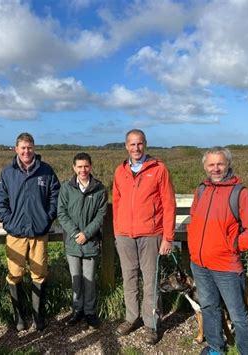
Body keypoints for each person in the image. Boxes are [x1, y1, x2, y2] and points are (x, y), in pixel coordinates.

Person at [188, 147, 248, 355]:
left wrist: (232, 246)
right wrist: (193, 246)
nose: (216, 168)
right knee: (209, 308)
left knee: (238, 314)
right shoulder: (201, 190)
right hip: (200, 264)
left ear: (228, 164)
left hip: (226, 266)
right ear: (205, 166)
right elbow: (194, 220)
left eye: (220, 164)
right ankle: (215, 348)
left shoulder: (240, 193)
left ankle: (246, 352)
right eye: (211, 164)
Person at [112, 129, 176, 344]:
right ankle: (131, 318)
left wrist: (168, 237)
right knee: (129, 278)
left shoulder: (158, 169)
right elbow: (117, 203)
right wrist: (117, 231)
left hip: (151, 234)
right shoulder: (120, 171)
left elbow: (168, 204)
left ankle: (151, 323)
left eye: (139, 144)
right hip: (125, 236)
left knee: (150, 280)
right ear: (126, 146)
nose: (136, 148)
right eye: (132, 144)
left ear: (145, 144)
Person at [0, 132, 60, 331]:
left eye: (29, 147)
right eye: (22, 148)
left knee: (39, 273)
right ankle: (19, 316)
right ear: (16, 149)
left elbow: (55, 197)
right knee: (15, 274)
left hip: (39, 232)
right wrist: (8, 221)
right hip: (15, 233)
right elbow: (0, 201)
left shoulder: (46, 171)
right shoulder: (7, 173)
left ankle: (37, 315)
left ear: (34, 148)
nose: (26, 151)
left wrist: (47, 218)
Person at [57, 152, 107, 328]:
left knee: (90, 279)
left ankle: (90, 312)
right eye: (79, 166)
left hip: (91, 242)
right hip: (72, 242)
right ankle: (77, 310)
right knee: (75, 279)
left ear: (91, 166)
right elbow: (61, 213)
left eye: (86, 166)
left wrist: (86, 233)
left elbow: (101, 215)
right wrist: (75, 232)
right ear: (74, 168)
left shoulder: (100, 189)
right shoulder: (66, 188)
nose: (83, 170)